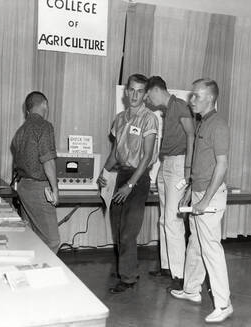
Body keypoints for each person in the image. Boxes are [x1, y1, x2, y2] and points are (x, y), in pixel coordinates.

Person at [170, 79, 233, 323]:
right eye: (192, 96)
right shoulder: (201, 123)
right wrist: (191, 190)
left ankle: (224, 303)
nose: (191, 100)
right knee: (195, 244)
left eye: (196, 96)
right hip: (199, 191)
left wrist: (205, 200)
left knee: (210, 248)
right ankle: (191, 289)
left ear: (210, 98)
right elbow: (201, 163)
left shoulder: (218, 125)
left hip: (211, 195)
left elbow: (222, 165)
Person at [97, 73, 159, 294]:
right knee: (117, 228)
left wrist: (130, 185)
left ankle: (129, 278)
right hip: (120, 175)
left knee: (128, 231)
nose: (134, 95)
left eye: (140, 91)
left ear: (144, 95)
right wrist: (104, 172)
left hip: (138, 179)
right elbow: (115, 152)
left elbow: (146, 156)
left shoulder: (149, 118)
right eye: (131, 90)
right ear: (126, 92)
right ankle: (127, 267)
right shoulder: (120, 118)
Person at [145, 76, 195, 291]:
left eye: (148, 95)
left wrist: (188, 169)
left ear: (156, 90)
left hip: (178, 165)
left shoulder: (180, 105)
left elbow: (191, 135)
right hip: (166, 164)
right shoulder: (168, 110)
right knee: (164, 220)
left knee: (173, 220)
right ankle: (167, 267)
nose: (147, 99)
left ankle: (180, 274)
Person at [11, 91, 60, 253]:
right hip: (40, 189)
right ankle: (44, 275)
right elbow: (48, 161)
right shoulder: (44, 126)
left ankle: (32, 273)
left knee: (32, 238)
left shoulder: (20, 132)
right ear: (44, 104)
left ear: (27, 110)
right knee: (52, 240)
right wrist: (55, 189)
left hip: (23, 187)